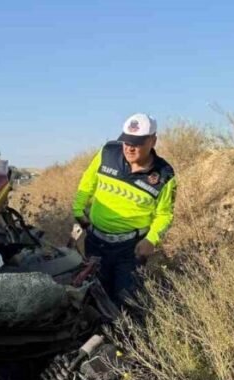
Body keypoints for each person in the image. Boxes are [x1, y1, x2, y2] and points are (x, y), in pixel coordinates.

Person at [72, 113, 176, 306]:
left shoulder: (164, 175)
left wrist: (151, 240)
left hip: (130, 250)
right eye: (126, 141)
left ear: (153, 141)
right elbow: (88, 182)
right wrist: (78, 210)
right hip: (96, 243)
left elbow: (164, 214)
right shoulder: (108, 153)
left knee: (126, 301)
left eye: (137, 143)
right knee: (94, 296)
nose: (129, 148)